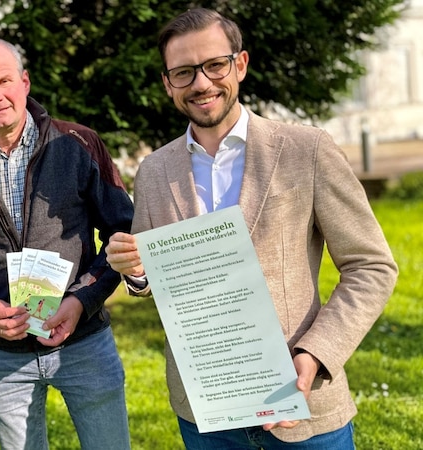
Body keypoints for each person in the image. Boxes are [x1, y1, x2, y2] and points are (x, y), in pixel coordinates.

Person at [105, 8, 398, 449]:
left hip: (303, 404)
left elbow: (372, 266)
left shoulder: (306, 150)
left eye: (214, 65)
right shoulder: (153, 170)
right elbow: (153, 279)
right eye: (183, 72)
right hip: (204, 412)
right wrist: (136, 271)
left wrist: (316, 355)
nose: (201, 83)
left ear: (239, 65)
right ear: (168, 84)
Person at [0, 37, 133, 450]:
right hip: (3, 356)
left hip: (85, 343)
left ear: (24, 82)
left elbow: (121, 239)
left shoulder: (78, 145)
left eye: (4, 81)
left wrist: (80, 302)